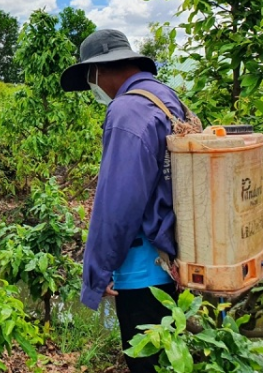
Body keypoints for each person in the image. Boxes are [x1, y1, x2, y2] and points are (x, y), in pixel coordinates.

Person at [60, 29, 183, 373]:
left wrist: (98, 272)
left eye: (89, 78)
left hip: (142, 271)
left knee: (145, 362)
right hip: (174, 262)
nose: (92, 87)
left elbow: (116, 205)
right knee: (171, 358)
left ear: (100, 70)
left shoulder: (127, 110)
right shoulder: (166, 99)